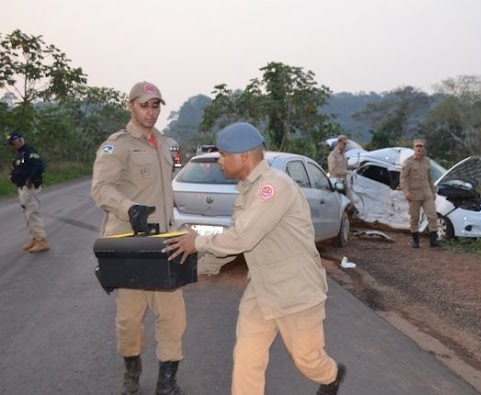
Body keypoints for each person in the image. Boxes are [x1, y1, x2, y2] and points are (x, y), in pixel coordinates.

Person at [163, 122, 346, 395]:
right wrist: (195, 270)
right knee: (248, 358)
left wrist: (196, 242)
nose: (219, 161)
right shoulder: (247, 190)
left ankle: (331, 376)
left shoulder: (273, 187)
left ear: (244, 156)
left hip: (295, 291)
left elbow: (243, 237)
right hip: (261, 289)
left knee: (308, 360)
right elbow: (234, 239)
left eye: (224, 155)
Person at [91, 81, 186, 395]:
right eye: (144, 105)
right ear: (130, 105)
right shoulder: (116, 145)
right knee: (130, 319)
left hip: (165, 244)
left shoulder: (164, 143)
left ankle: (167, 381)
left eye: (156, 105)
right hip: (130, 245)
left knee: (173, 317)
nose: (151, 111)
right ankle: (132, 370)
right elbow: (101, 189)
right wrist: (130, 208)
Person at [5, 131, 49, 253]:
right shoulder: (19, 154)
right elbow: (17, 169)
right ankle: (34, 238)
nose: (11, 146)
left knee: (32, 213)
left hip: (29, 188)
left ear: (19, 140)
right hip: (21, 188)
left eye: (12, 143)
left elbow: (39, 166)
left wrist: (30, 179)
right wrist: (12, 176)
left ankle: (41, 240)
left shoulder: (30, 151)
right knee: (26, 214)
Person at [399, 138, 441, 248]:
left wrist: (433, 191)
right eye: (417, 146)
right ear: (413, 148)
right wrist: (406, 192)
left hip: (427, 193)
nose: (419, 148)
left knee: (432, 215)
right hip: (414, 194)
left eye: (421, 146)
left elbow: (430, 178)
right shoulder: (408, 162)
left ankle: (433, 240)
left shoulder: (427, 161)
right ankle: (415, 240)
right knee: (414, 217)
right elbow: (403, 178)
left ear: (424, 148)